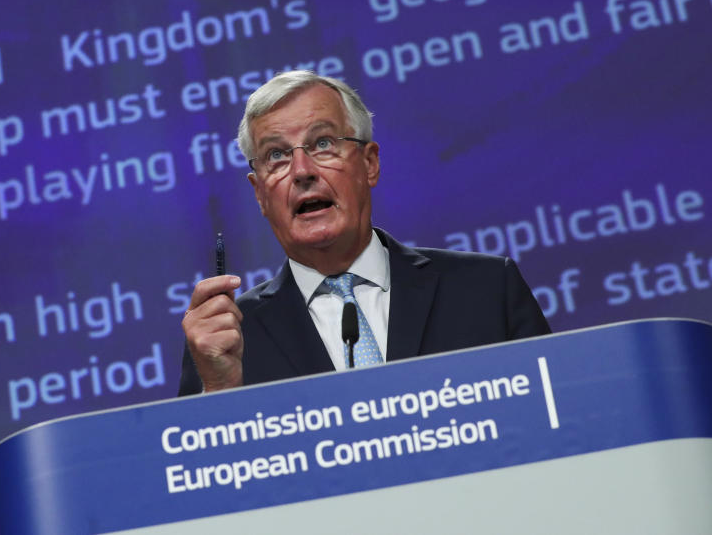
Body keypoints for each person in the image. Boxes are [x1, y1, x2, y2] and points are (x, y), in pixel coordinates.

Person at [178, 70, 550, 395]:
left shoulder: (486, 290)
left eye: (323, 144)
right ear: (260, 194)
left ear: (369, 163)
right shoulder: (229, 340)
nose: (302, 170)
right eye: (276, 155)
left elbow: (558, 412)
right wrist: (220, 390)